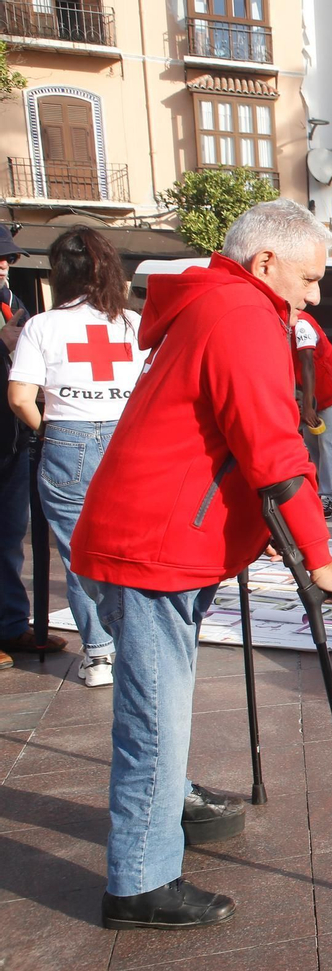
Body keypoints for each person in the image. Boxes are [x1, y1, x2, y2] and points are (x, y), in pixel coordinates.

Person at [72, 200, 332, 930]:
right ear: (266, 263)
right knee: (155, 714)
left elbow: (289, 412)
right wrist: (318, 557)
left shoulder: (229, 304)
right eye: (309, 277)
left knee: (160, 703)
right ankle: (138, 880)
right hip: (156, 545)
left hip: (162, 537)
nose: (315, 294)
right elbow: (275, 448)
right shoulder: (239, 316)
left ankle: (165, 809)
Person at [7, 227, 146, 688]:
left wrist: (47, 429)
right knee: (129, 549)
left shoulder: (42, 325)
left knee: (79, 554)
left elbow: (20, 397)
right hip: (129, 441)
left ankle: (100, 655)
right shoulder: (132, 323)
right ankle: (139, 644)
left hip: (68, 439)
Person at [0, 226, 62, 668]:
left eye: (8, 258)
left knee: (8, 537)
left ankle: (10, 625)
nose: (5, 265)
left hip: (13, 438)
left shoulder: (14, 305)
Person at [293, 313, 332, 517]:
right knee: (313, 442)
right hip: (311, 392)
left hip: (331, 390)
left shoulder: (301, 326)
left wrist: (307, 407)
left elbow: (307, 363)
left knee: (328, 443)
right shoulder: (282, 322)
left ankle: (329, 495)